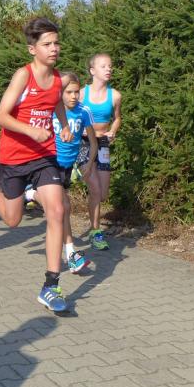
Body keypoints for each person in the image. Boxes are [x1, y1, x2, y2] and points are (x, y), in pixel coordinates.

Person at [0, 17, 73, 312]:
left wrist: (64, 125)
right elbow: (2, 116)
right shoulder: (23, 76)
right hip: (14, 157)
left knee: (57, 209)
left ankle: (51, 286)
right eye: (47, 44)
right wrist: (30, 130)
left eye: (56, 43)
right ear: (32, 49)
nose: (54, 48)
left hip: (44, 154)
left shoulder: (58, 79)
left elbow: (55, 102)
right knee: (12, 220)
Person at [51, 72, 97, 272]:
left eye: (76, 92)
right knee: (65, 206)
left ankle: (29, 194)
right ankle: (71, 255)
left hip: (68, 166)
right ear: (59, 93)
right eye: (68, 92)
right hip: (50, 163)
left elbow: (93, 143)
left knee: (59, 211)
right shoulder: (51, 110)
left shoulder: (84, 111)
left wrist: (88, 163)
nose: (73, 96)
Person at [80, 53, 122, 250]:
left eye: (110, 66)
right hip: (84, 143)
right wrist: (78, 130)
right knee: (96, 189)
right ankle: (95, 232)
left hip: (103, 143)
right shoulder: (81, 94)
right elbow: (70, 114)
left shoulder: (115, 96)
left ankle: (93, 219)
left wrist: (113, 130)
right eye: (103, 66)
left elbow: (117, 118)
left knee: (102, 194)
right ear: (92, 71)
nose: (108, 69)